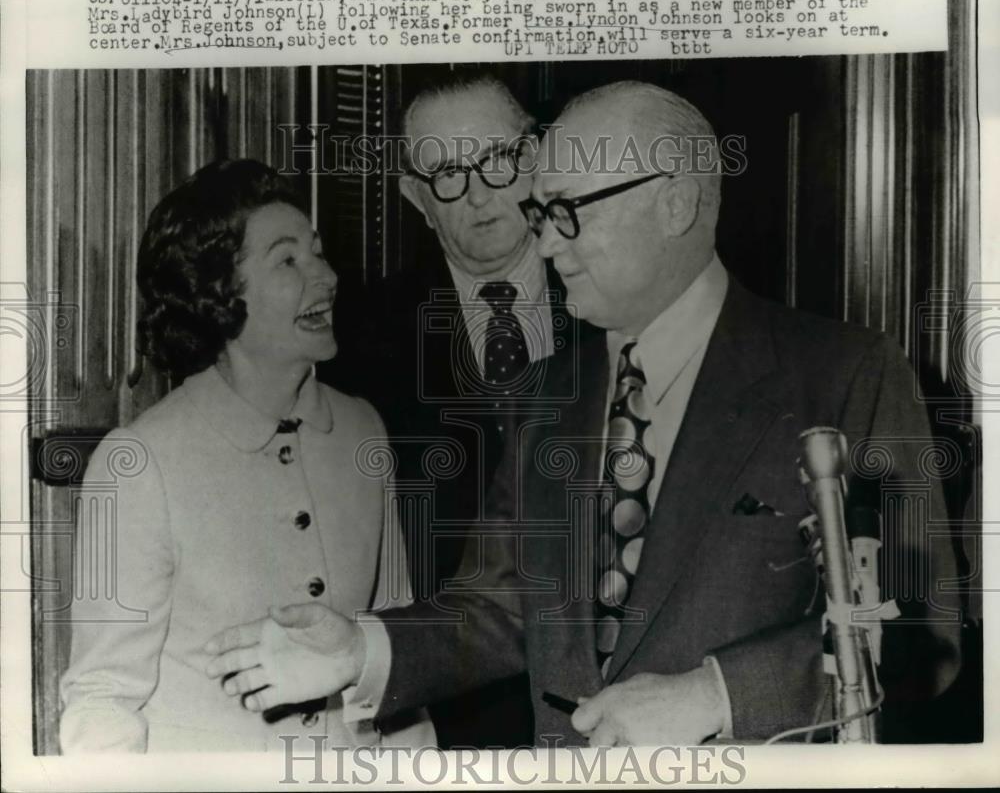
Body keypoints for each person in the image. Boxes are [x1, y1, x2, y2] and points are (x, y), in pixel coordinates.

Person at [204, 83, 962, 746]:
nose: (543, 240)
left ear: (675, 203)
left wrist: (713, 694)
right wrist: (361, 652)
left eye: (568, 211)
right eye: (541, 212)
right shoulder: (543, 394)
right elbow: (493, 609)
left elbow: (920, 631)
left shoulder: (843, 373)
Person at [59, 159, 433, 752]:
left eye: (317, 252)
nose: (327, 276)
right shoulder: (139, 461)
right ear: (219, 296)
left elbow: (394, 649)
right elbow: (104, 697)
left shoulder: (364, 430)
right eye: (289, 260)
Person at [323, 74, 598, 748]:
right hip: (443, 709)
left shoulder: (616, 298)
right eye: (447, 173)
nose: (478, 193)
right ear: (416, 197)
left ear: (535, 157)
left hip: (610, 687)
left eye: (498, 160)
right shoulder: (358, 341)